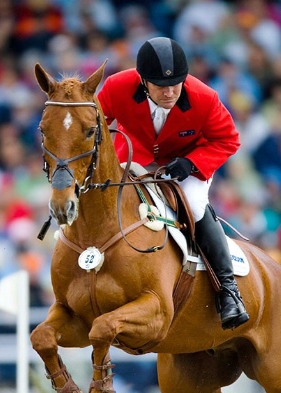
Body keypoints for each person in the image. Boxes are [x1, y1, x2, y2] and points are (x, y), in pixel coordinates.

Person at [97, 36, 249, 330]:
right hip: (134, 159)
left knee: (193, 204)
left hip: (187, 164)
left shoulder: (204, 97)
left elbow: (229, 139)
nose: (169, 92)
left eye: (175, 85)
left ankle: (229, 291)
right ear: (143, 81)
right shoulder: (117, 87)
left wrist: (192, 163)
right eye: (160, 86)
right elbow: (94, 125)